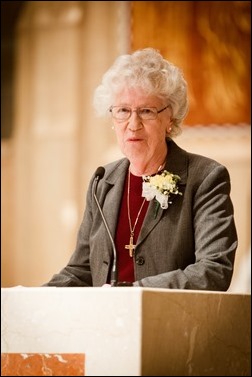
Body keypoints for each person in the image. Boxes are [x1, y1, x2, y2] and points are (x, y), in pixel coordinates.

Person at [43, 47, 238, 290]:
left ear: (171, 118)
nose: (133, 125)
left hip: (169, 323)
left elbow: (214, 269)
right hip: (104, 323)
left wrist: (135, 292)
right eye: (123, 110)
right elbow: (83, 269)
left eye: (146, 111)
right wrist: (31, 299)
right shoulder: (103, 181)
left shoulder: (205, 178)